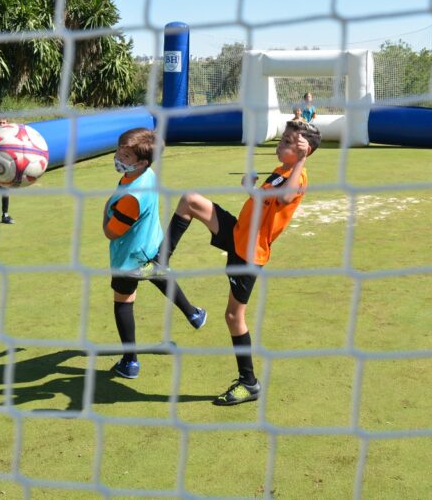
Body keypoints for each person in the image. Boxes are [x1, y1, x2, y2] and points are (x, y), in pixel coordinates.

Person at [162, 120, 321, 405]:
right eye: (283, 138)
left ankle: (249, 382)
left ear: (303, 151)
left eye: (288, 142)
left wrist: (301, 160)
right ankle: (161, 262)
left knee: (234, 316)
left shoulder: (298, 176)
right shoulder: (281, 171)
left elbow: (285, 197)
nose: (280, 144)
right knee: (190, 200)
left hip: (250, 253)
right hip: (237, 234)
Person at [104, 128, 207, 379]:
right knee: (158, 273)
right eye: (119, 151)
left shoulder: (131, 198)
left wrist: (105, 211)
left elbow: (111, 232)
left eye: (125, 156)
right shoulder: (148, 174)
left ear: (141, 162)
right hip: (150, 248)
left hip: (128, 259)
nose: (118, 157)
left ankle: (130, 362)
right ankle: (193, 314)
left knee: (123, 302)